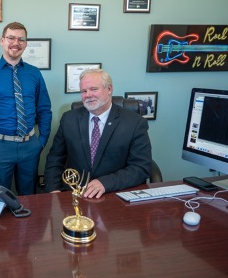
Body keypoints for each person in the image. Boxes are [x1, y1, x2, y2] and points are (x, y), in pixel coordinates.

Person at [0, 22, 52, 195]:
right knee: (0, 199)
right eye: (11, 38)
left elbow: (45, 109)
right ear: (2, 41)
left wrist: (41, 141)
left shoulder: (34, 73)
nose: (16, 43)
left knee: (30, 198)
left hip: (30, 146)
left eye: (21, 39)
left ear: (25, 43)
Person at [44, 69, 151, 198]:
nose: (88, 95)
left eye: (94, 89)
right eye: (84, 91)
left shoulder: (134, 123)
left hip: (115, 194)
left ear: (109, 89)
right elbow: (55, 158)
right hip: (75, 194)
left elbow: (141, 167)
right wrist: (54, 191)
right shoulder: (69, 119)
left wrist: (106, 183)